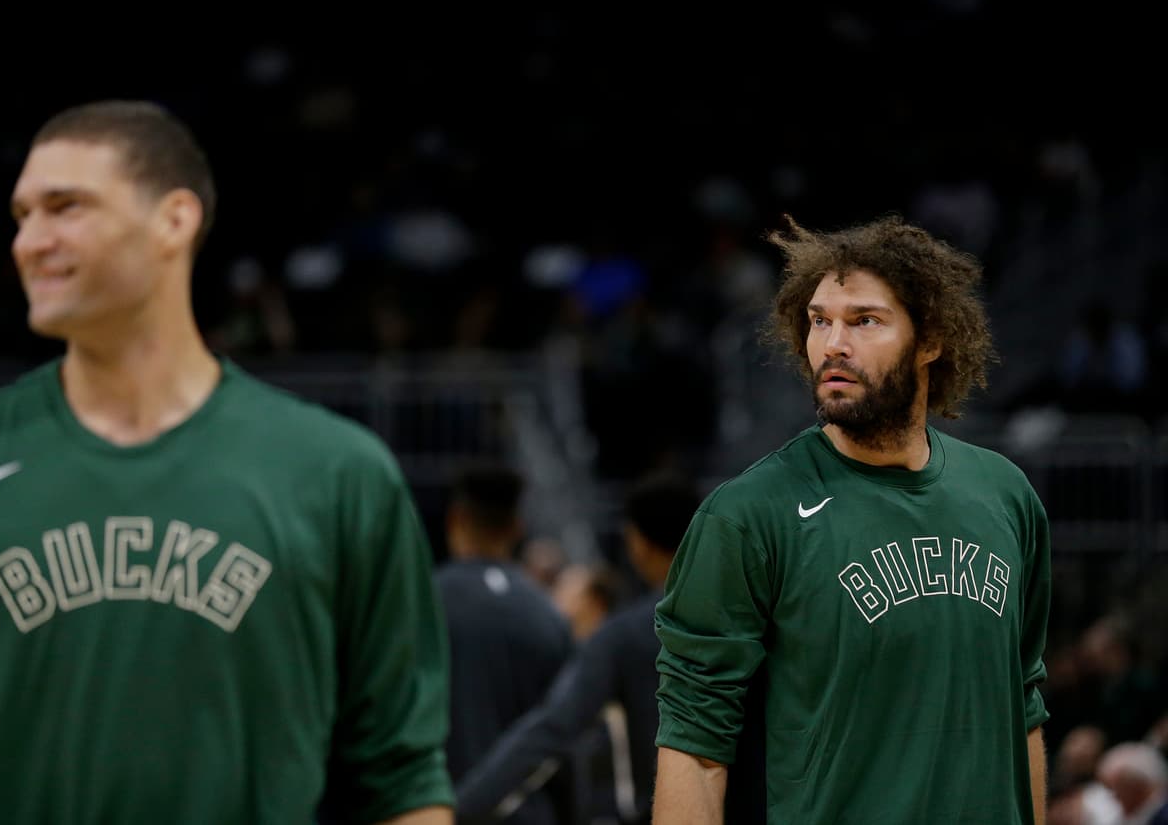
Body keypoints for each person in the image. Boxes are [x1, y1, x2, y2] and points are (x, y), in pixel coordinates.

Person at [0, 100, 454, 824]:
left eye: (65, 208)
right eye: (22, 216)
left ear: (174, 220)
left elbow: (402, 779)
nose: (30, 242)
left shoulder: (340, 473)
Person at [653, 215, 1052, 824]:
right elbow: (694, 746)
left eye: (864, 320)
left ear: (931, 340)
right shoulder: (748, 515)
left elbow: (1023, 708)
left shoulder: (1006, 495)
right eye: (820, 321)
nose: (833, 344)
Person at [456, 473, 703, 824]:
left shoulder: (624, 635)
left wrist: (460, 809)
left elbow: (553, 729)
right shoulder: (749, 620)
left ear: (638, 544)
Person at [435, 462, 572, 824]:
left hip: (438, 810)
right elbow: (568, 734)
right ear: (516, 527)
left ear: (455, 519)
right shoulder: (550, 614)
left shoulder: (420, 600)